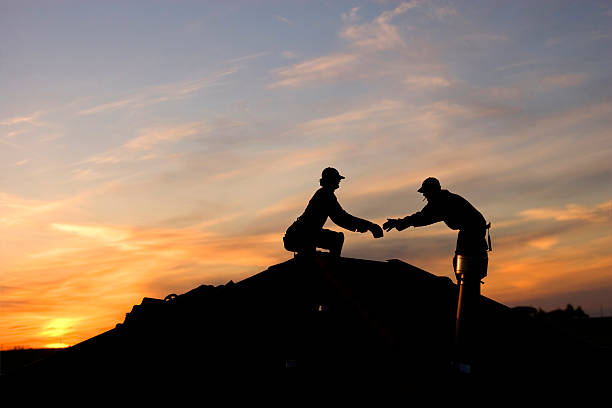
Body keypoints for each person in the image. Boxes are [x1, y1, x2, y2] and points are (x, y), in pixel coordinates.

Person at [383, 177, 491, 373]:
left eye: (425, 193)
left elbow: (423, 218)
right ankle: (466, 293)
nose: (424, 196)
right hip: (471, 231)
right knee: (462, 265)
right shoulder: (444, 200)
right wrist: (401, 223)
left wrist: (399, 223)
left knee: (464, 267)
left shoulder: (442, 202)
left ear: (431, 192)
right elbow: (424, 216)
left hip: (472, 232)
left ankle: (467, 299)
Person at [283, 167, 383, 257]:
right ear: (331, 180)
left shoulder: (324, 193)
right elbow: (341, 218)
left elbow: (341, 218)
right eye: (337, 179)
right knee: (336, 239)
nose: (339, 181)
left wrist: (365, 226)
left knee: (333, 239)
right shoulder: (325, 195)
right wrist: (370, 226)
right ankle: (332, 266)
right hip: (300, 236)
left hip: (299, 235)